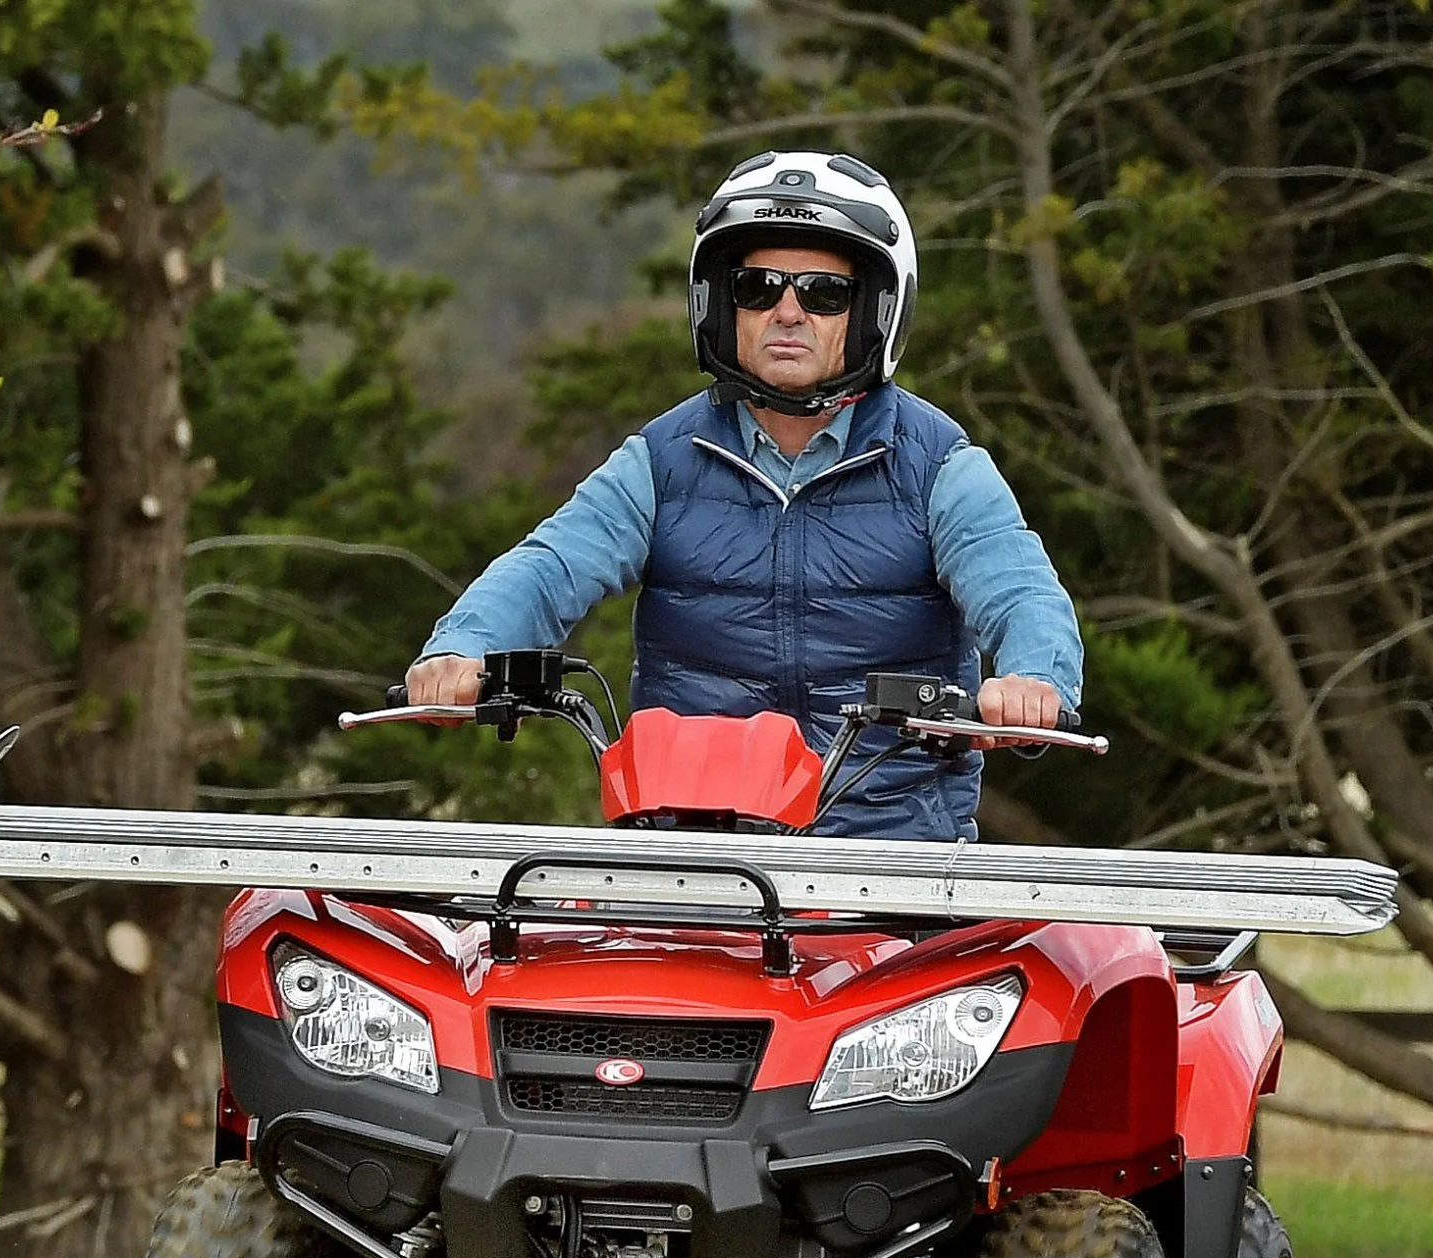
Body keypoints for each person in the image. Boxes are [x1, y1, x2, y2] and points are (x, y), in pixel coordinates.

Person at [407, 150, 1083, 840]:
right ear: (722, 307)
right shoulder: (661, 460)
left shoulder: (939, 466)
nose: (787, 312)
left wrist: (1032, 679)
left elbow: (1020, 588)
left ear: (875, 311)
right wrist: (464, 647)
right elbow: (551, 565)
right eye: (757, 288)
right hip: (694, 851)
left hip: (890, 859)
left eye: (824, 293)